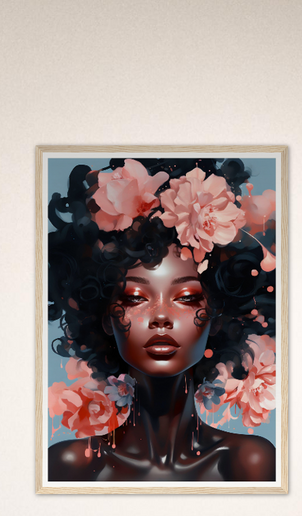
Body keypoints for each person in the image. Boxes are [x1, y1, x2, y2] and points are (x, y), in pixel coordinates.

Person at [45, 156, 278, 484]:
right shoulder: (71, 467)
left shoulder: (250, 464)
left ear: (216, 316)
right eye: (136, 299)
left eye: (185, 298)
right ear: (105, 318)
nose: (161, 317)